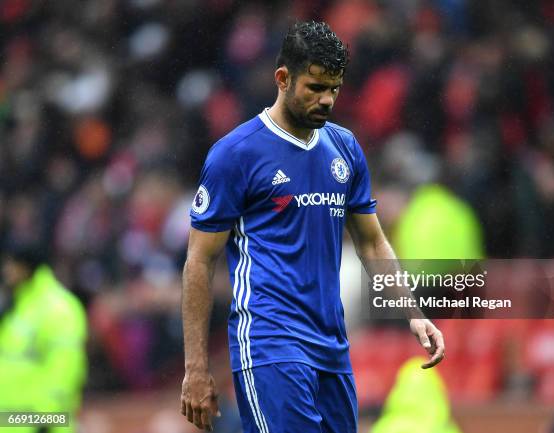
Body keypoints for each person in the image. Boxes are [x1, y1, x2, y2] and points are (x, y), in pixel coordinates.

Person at [181, 20, 445, 433]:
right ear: (283, 79)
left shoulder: (345, 148)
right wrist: (195, 368)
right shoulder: (235, 155)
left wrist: (413, 313)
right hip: (269, 342)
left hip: (332, 347)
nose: (326, 100)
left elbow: (373, 243)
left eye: (334, 89)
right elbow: (200, 260)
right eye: (315, 88)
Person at [0, 245, 88, 433]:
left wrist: (46, 418)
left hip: (41, 423)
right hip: (12, 422)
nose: (6, 270)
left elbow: (65, 369)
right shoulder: (18, 305)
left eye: (11, 264)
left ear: (26, 267)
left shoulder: (59, 308)